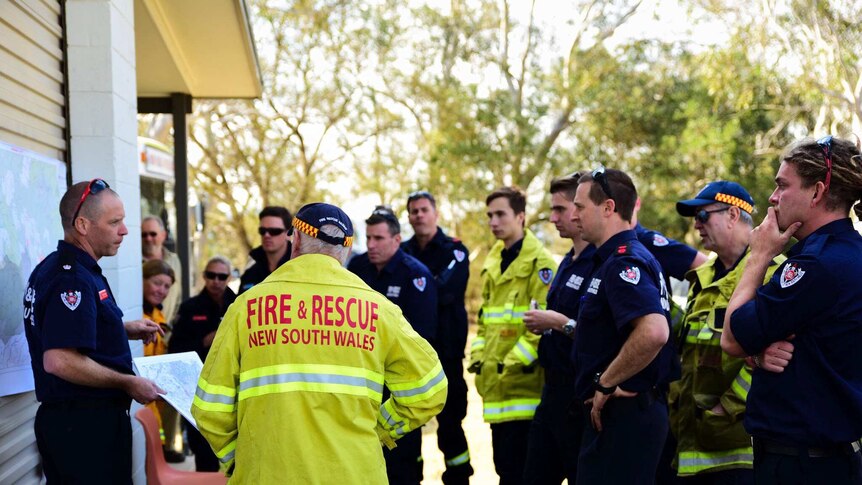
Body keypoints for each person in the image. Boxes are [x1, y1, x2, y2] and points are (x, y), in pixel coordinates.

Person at [192, 202, 447, 484]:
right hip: (355, 473)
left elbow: (209, 408)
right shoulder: (379, 310)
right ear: (346, 251)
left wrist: (239, 459)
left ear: (296, 239)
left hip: (267, 474)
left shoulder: (246, 308)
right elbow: (429, 389)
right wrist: (381, 430)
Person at [721, 136, 862, 484]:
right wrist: (758, 354)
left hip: (801, 465)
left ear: (816, 192)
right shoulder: (848, 253)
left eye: (782, 185)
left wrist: (759, 255)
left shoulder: (815, 265)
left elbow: (732, 338)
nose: (772, 198)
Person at [23, 178, 165, 484]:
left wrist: (123, 328)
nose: (125, 231)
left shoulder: (61, 267)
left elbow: (66, 329)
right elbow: (59, 359)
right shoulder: (71, 278)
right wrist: (128, 382)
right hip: (84, 429)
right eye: (114, 222)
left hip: (80, 425)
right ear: (83, 225)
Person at [669, 181, 785, 483]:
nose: (696, 226)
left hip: (740, 450)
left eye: (703, 216)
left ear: (733, 215)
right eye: (694, 219)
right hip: (688, 444)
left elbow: (777, 358)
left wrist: (725, 409)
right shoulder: (701, 276)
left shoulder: (773, 274)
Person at [570, 167, 677, 483]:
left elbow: (654, 330)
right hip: (625, 416)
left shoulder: (623, 262)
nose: (574, 215)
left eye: (579, 206)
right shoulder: (616, 258)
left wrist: (605, 382)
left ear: (608, 208)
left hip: (625, 417)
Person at [470, 186, 556, 485]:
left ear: (521, 217)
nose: (493, 221)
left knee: (525, 475)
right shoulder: (493, 263)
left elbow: (543, 329)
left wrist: (508, 365)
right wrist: (479, 359)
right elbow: (485, 323)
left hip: (527, 390)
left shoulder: (541, 265)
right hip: (496, 390)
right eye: (489, 215)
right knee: (504, 471)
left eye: (500, 214)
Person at [348, 205, 438, 484]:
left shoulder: (416, 275)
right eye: (368, 238)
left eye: (378, 238)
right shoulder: (356, 268)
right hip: (360, 383)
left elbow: (420, 337)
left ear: (397, 240)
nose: (371, 245)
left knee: (403, 463)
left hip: (397, 384)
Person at [522, 172, 595, 484]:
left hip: (578, 399)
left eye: (560, 210)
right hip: (551, 392)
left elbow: (599, 334)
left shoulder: (600, 262)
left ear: (580, 211)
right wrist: (546, 324)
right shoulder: (566, 261)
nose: (553, 218)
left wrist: (555, 321)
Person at [401, 190, 473, 485]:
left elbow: (445, 292)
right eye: (413, 211)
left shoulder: (454, 250)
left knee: (451, 427)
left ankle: (459, 479)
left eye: (423, 210)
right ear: (408, 217)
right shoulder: (401, 250)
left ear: (436, 214)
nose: (418, 215)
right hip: (407, 355)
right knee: (408, 428)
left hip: (446, 353)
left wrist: (413, 290)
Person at [169, 255, 236, 472]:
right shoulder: (190, 308)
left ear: (229, 278)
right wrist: (205, 341)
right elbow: (176, 349)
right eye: (211, 275)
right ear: (204, 277)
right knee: (204, 457)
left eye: (221, 276)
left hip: (235, 391)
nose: (216, 281)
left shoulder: (241, 305)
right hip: (199, 391)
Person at [141, 259, 176, 452]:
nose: (161, 290)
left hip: (154, 402)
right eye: (156, 283)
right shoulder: (135, 315)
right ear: (142, 280)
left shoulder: (158, 316)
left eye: (166, 286)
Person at [239, 206, 292, 294]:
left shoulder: (299, 264)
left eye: (274, 231)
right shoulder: (251, 269)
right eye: (262, 231)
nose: (267, 235)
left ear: (288, 233)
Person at [141, 215, 183, 322]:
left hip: (166, 332)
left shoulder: (174, 260)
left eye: (153, 234)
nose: (148, 238)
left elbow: (177, 296)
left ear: (163, 235)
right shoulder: (133, 264)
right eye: (144, 235)